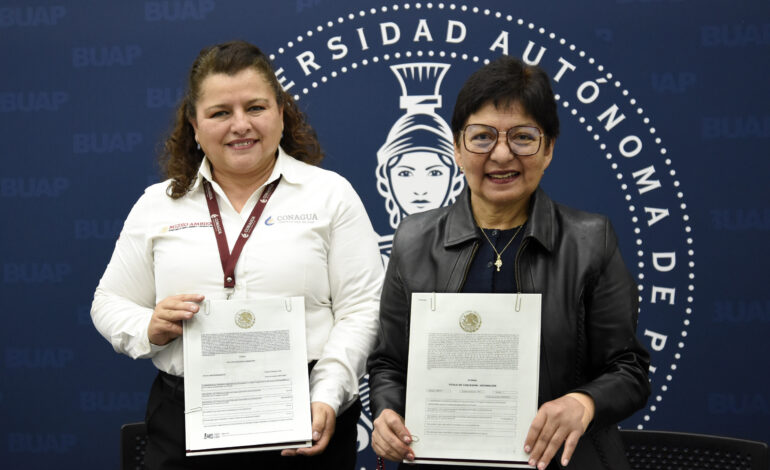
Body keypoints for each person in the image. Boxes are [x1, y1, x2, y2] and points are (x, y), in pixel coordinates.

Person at [91, 40, 383, 470]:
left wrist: (327, 393)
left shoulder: (331, 195)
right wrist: (147, 327)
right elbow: (109, 302)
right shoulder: (158, 204)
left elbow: (363, 308)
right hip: (186, 422)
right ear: (194, 124)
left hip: (305, 416)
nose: (240, 125)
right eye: (220, 113)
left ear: (281, 112)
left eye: (255, 107)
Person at [367, 56, 650, 470]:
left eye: (523, 137)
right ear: (457, 148)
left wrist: (583, 402)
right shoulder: (413, 240)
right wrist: (387, 412)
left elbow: (628, 370)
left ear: (548, 148)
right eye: (482, 137)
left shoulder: (591, 241)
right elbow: (389, 363)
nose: (501, 154)